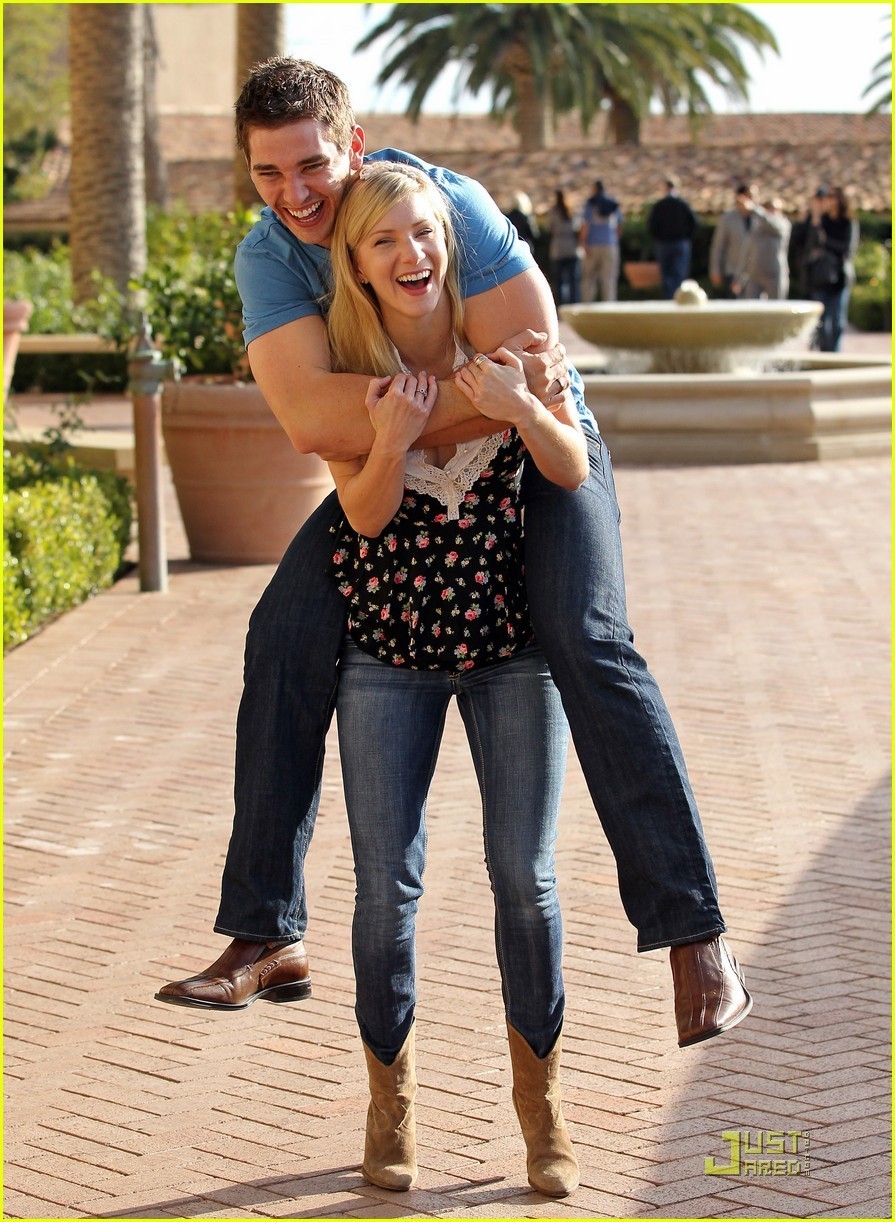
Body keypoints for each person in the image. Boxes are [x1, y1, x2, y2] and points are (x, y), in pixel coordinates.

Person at [156, 58, 751, 1055]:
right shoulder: (269, 259)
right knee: (283, 630)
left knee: (586, 634)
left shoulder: (444, 206)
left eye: (311, 165)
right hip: (401, 463)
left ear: (351, 146)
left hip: (541, 450)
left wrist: (406, 411)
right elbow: (309, 422)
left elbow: (537, 368)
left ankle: (696, 934)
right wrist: (454, 401)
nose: (294, 193)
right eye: (268, 174)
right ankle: (266, 930)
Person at [326, 160, 587, 1195]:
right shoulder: (350, 371)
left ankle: (542, 1105)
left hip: (513, 654)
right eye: (384, 240)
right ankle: (388, 1103)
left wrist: (522, 406)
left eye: (424, 233)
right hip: (385, 657)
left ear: (449, 242)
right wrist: (390, 439)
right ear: (357, 263)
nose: (411, 255)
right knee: (386, 885)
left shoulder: (508, 348)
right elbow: (363, 517)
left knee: (525, 876)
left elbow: (570, 468)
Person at [802, 186, 859, 352]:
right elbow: (809, 243)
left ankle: (835, 354)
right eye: (827, 197)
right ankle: (825, 354)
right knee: (822, 320)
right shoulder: (821, 220)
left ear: (840, 200)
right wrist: (815, 220)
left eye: (832, 197)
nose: (828, 201)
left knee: (838, 320)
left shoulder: (848, 222)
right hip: (821, 275)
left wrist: (826, 242)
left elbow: (848, 249)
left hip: (840, 276)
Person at [648, 177, 698, 299]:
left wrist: (658, 238)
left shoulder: (660, 206)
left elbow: (652, 225)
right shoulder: (682, 205)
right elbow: (694, 223)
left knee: (667, 275)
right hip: (679, 243)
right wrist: (686, 237)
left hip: (665, 244)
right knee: (679, 274)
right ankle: (678, 298)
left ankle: (669, 299)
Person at [733, 196, 792, 300]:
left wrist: (754, 208)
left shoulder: (783, 224)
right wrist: (739, 278)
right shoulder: (756, 228)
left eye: (775, 208)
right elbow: (747, 253)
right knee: (753, 307)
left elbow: (771, 223)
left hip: (774, 274)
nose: (772, 211)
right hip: (755, 275)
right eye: (769, 208)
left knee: (776, 307)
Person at [579, 179, 622, 303]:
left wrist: (583, 243)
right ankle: (609, 305)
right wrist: (614, 239)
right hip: (610, 245)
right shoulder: (613, 204)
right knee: (609, 277)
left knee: (589, 277)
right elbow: (619, 226)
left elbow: (585, 225)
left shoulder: (590, 204)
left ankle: (587, 304)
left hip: (593, 245)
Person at [709, 183, 754, 298]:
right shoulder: (727, 219)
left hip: (755, 273)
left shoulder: (760, 218)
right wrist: (715, 270)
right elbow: (718, 247)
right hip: (733, 271)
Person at [546, 188, 581, 305]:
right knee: (573, 281)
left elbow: (550, 229)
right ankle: (574, 305)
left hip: (558, 249)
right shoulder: (572, 211)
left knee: (559, 281)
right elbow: (579, 229)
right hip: (572, 249)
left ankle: (561, 306)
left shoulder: (553, 212)